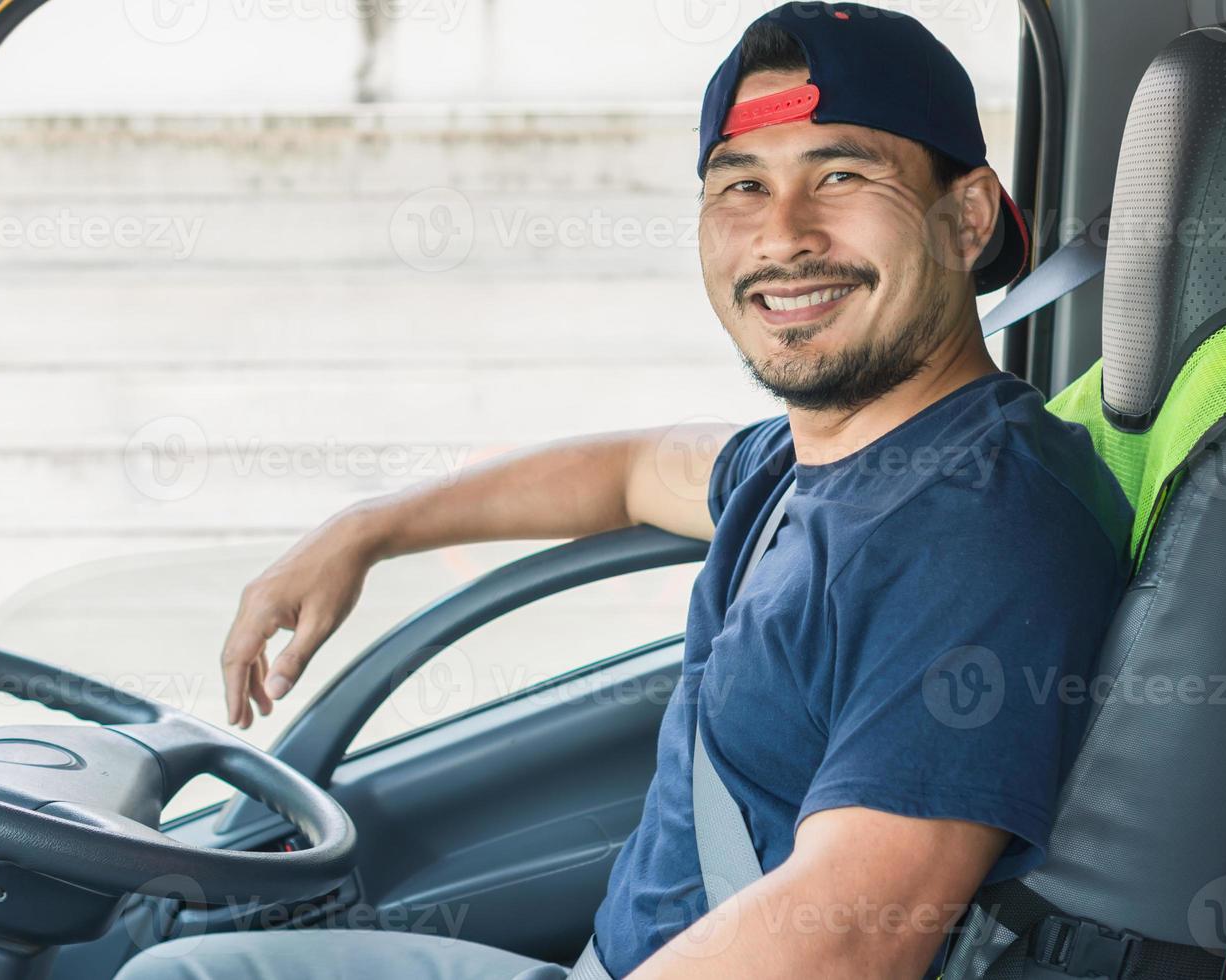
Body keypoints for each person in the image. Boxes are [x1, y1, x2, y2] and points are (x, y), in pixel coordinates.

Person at [119, 3, 1131, 978]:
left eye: (840, 173)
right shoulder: (811, 461)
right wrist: (365, 529)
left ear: (962, 218)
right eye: (739, 185)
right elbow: (635, 469)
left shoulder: (978, 529)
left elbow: (846, 943)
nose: (781, 233)